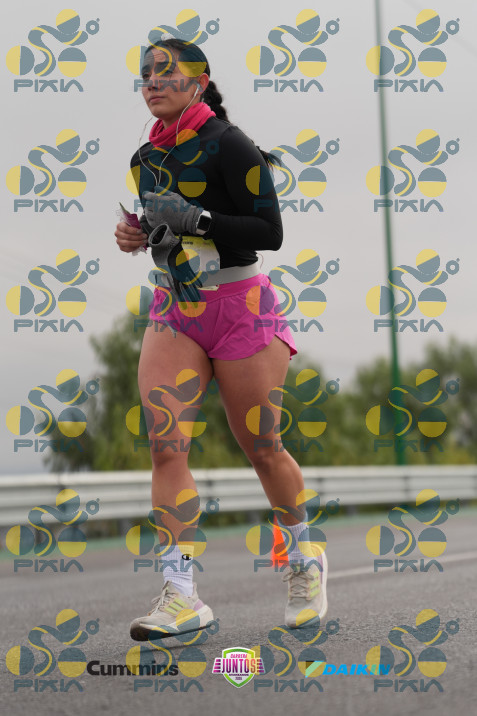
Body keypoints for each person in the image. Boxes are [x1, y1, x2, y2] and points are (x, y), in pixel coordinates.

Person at [114, 36, 328, 641]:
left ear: (199, 82)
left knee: (262, 446)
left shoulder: (231, 145)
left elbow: (269, 232)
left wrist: (200, 220)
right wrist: (138, 236)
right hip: (176, 307)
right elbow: (164, 231)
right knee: (166, 446)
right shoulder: (144, 157)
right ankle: (181, 595)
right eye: (146, 74)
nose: (153, 82)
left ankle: (304, 561)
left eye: (167, 72)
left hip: (241, 309)